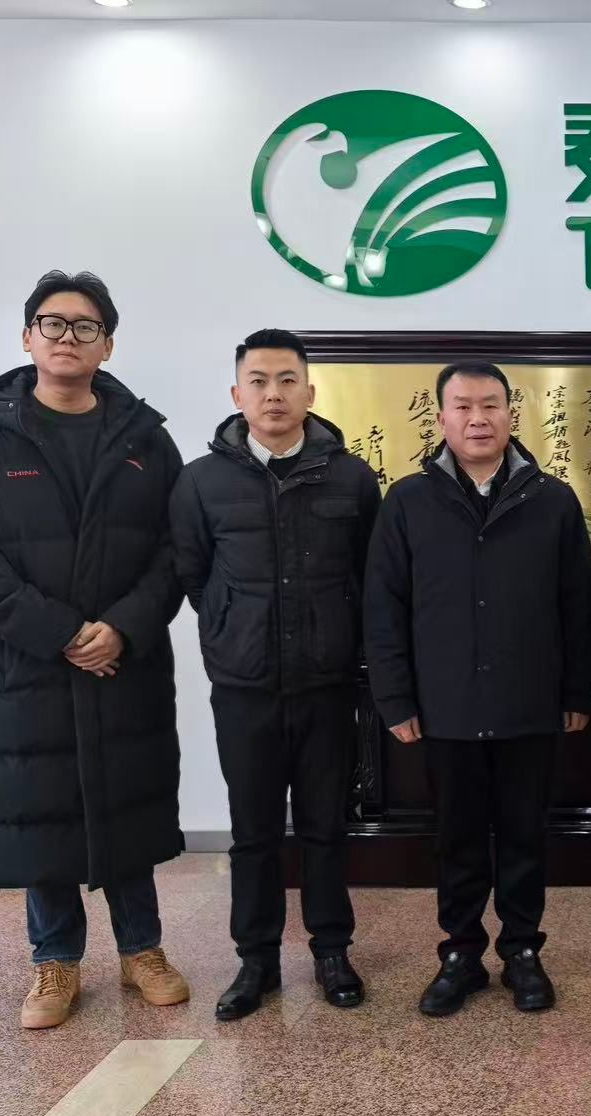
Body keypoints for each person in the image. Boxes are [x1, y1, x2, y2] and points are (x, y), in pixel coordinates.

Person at [0, 269, 189, 1029]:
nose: (67, 337)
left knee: (128, 799)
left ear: (108, 345)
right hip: (27, 664)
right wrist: (63, 634)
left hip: (123, 662)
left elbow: (176, 550)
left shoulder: (146, 440)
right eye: (52, 323)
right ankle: (55, 960)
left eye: (85, 326)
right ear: (27, 338)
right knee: (39, 806)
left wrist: (123, 627)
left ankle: (143, 949)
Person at [365, 362, 591, 1017]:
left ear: (511, 414)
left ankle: (522, 951)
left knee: (524, 836)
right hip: (445, 705)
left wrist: (576, 691)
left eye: (490, 405)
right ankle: (461, 954)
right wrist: (395, 698)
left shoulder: (552, 500)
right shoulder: (408, 500)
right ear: (441, 418)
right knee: (457, 839)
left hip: (530, 702)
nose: (478, 418)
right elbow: (383, 607)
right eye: (463, 406)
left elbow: (579, 605)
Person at [170, 328, 379, 1021]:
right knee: (253, 831)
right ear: (237, 394)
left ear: (310, 391)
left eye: (287, 380)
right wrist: (232, 627)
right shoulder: (201, 481)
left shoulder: (351, 477)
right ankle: (256, 959)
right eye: (258, 381)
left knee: (325, 826)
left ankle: (331, 950)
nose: (273, 394)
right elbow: (194, 575)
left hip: (327, 684)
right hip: (245, 686)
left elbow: (368, 575)